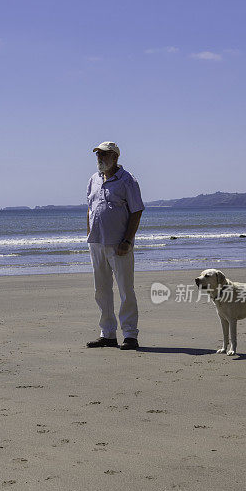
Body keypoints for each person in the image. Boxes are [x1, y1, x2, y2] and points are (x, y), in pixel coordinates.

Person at [86, 141, 144, 350]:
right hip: (97, 243)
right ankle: (107, 334)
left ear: (115, 157)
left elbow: (136, 211)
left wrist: (127, 240)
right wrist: (89, 233)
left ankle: (130, 334)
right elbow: (90, 209)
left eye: (103, 155)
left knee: (125, 290)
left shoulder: (127, 181)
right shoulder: (93, 179)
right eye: (98, 155)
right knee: (101, 290)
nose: (100, 158)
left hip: (119, 244)